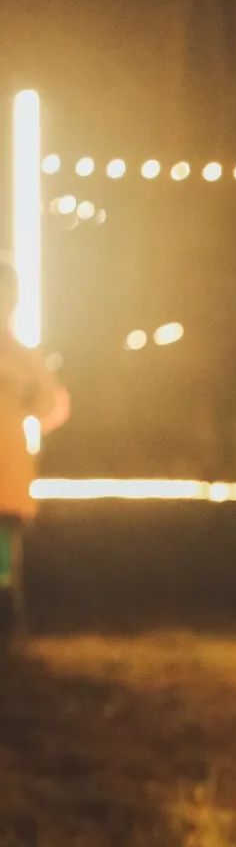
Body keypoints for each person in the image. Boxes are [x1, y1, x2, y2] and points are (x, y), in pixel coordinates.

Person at [0, 262, 69, 641]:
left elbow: (50, 404)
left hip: (6, 472)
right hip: (9, 472)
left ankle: (9, 625)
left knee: (3, 560)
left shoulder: (24, 358)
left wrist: (27, 396)